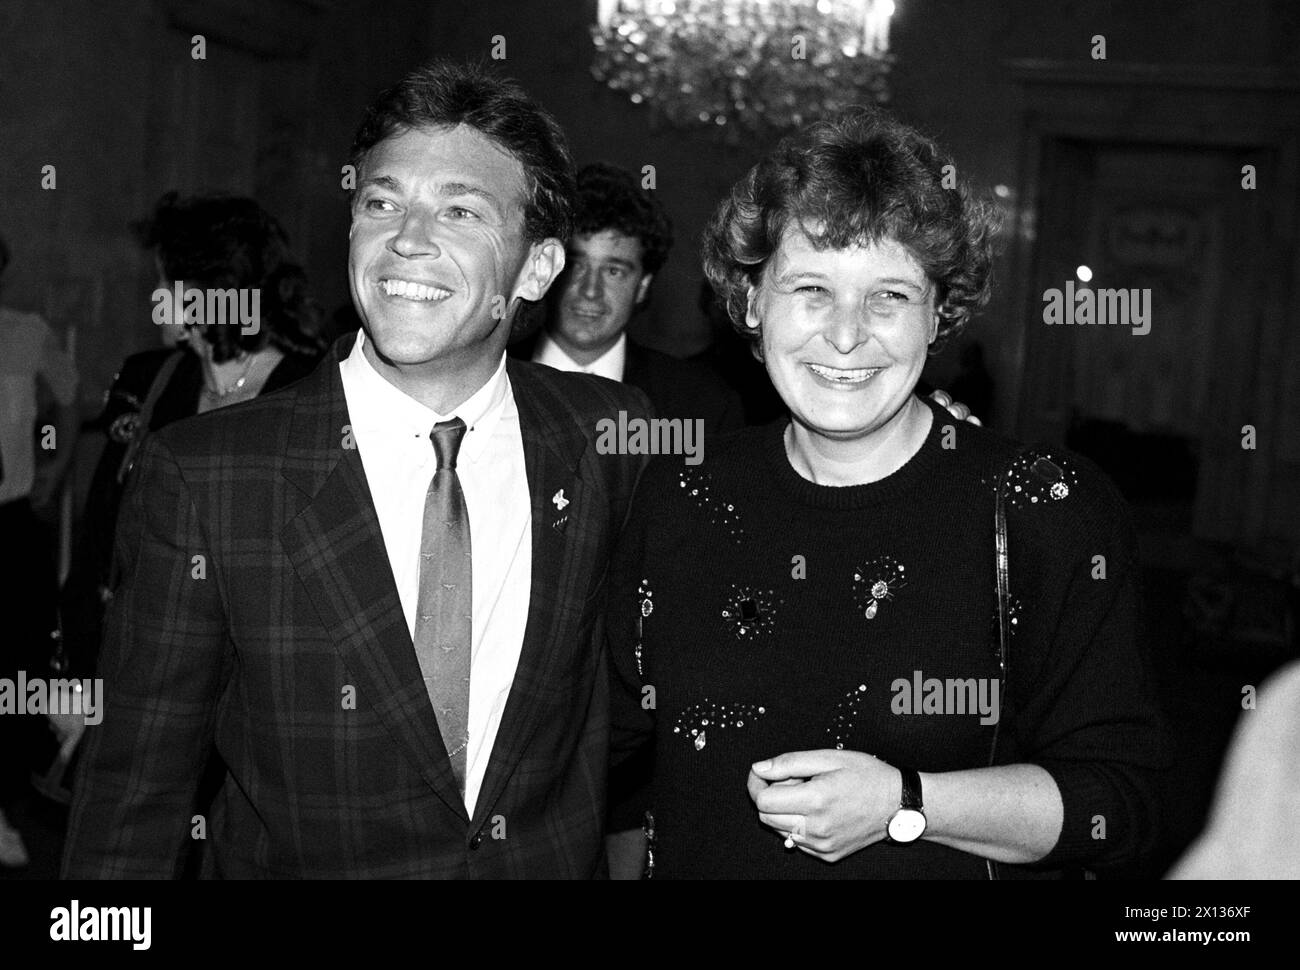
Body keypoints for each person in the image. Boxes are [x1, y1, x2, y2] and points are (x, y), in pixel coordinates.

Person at [62, 61, 650, 878]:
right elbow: (133, 800)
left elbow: (638, 699)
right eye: (382, 202)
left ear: (538, 269)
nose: (408, 238)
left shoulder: (608, 441)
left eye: (460, 209)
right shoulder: (211, 477)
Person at [608, 107, 1169, 878]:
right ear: (749, 302)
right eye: (810, 288)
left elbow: (1123, 802)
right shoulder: (679, 496)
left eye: (889, 297)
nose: (846, 335)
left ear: (940, 313)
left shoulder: (1044, 508)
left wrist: (909, 802)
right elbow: (599, 752)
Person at [59, 194, 325, 683]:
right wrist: (78, 675)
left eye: (165, 281)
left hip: (257, 688)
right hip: (141, 674)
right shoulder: (147, 381)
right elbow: (99, 536)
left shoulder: (310, 393)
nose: (156, 294)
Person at [513, 161, 744, 437]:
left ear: (643, 286)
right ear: (545, 268)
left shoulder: (701, 404)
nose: (590, 290)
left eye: (613, 271)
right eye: (575, 265)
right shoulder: (486, 376)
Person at [0, 232, 80, 867]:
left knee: (17, 661)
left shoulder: (25, 333)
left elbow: (70, 399)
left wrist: (52, 478)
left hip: (9, 524)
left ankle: (6, 804)